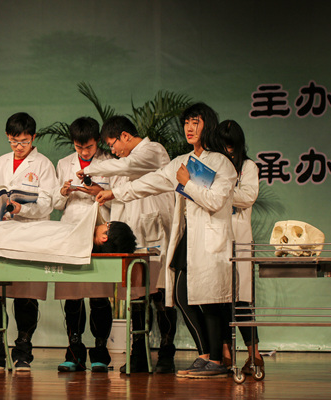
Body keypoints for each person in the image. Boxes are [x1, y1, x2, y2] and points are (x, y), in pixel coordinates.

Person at [96, 103, 237, 378]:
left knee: (208, 301)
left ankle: (216, 360)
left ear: (207, 124)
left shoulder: (222, 163)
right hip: (188, 238)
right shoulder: (182, 161)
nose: (189, 128)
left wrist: (187, 182)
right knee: (182, 297)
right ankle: (205, 355)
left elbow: (216, 201)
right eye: (186, 123)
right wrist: (115, 193)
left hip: (210, 239)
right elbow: (152, 181)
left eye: (195, 122)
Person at [77, 116, 176, 374]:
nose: (112, 151)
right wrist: (100, 193)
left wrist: (90, 169)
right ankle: (139, 351)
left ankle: (167, 352)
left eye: (112, 144)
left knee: (160, 294)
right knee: (136, 295)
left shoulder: (152, 151)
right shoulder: (122, 164)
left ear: (125, 136)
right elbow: (120, 198)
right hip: (131, 236)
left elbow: (129, 167)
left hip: (155, 233)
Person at [0, 112, 57, 372]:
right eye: (14, 141)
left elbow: (48, 202)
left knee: (26, 293)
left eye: (24, 142)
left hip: (30, 234)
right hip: (1, 232)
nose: (19, 147)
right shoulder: (1, 162)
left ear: (33, 138)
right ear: (8, 137)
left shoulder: (43, 164)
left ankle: (23, 353)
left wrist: (21, 208)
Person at [52, 117, 118, 373]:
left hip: (100, 231)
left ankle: (100, 352)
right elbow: (56, 204)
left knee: (100, 293)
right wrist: (63, 192)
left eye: (89, 147)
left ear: (97, 141)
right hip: (71, 231)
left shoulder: (110, 162)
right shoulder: (64, 163)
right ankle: (74, 351)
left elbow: (120, 199)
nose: (84, 151)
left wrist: (97, 191)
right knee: (72, 294)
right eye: (79, 147)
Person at [213, 120, 263, 375]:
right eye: (223, 146)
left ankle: (255, 354)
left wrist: (222, 191)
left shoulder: (248, 167)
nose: (227, 150)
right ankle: (225, 352)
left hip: (240, 239)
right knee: (220, 298)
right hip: (216, 239)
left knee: (242, 299)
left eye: (231, 146)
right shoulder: (213, 166)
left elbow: (248, 197)